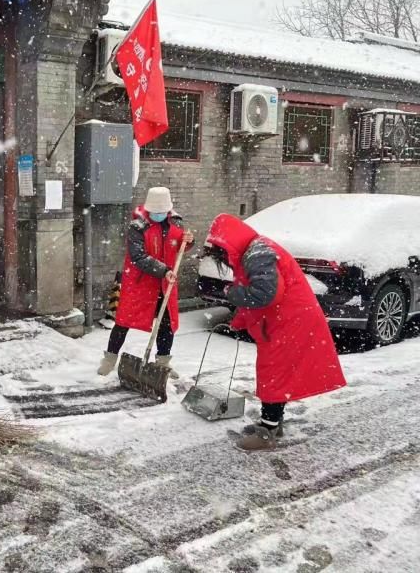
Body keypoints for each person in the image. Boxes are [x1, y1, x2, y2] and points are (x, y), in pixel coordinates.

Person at [204, 214, 347, 451]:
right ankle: (272, 423)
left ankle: (267, 432)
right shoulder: (254, 251)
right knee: (276, 373)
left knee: (274, 375)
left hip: (290, 323)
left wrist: (230, 293)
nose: (226, 261)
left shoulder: (258, 255)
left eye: (223, 253)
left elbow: (264, 295)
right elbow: (260, 295)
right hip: (285, 321)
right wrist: (240, 319)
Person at [98, 187, 195, 378]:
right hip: (139, 283)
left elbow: (178, 245)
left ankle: (163, 362)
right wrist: (164, 270)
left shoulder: (176, 223)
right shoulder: (137, 227)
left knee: (166, 323)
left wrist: (189, 241)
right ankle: (109, 360)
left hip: (165, 284)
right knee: (124, 321)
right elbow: (138, 257)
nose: (158, 215)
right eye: (155, 212)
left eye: (162, 212)